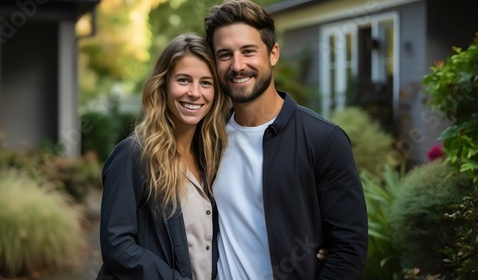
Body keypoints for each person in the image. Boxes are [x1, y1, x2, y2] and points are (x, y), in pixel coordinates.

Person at [204, 0, 369, 279]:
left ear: (273, 54)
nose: (237, 65)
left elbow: (349, 249)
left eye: (248, 51)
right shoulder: (208, 139)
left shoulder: (324, 140)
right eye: (224, 55)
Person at [96, 33, 231, 280]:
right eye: (183, 80)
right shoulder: (134, 155)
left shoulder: (213, 156)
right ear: (163, 84)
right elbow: (116, 246)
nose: (194, 92)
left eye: (206, 83)